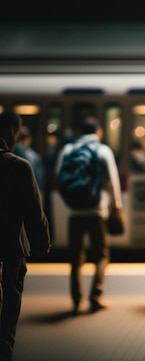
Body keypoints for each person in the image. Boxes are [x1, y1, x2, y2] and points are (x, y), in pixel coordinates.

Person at [55, 117, 123, 314]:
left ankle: (76, 299)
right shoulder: (102, 150)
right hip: (97, 212)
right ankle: (95, 295)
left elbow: (60, 178)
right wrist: (116, 206)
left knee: (75, 258)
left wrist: (70, 202)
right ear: (98, 132)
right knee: (101, 255)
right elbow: (113, 181)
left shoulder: (67, 150)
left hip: (74, 212)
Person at [0, 112, 51, 360]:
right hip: (10, 253)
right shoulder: (19, 167)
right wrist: (42, 244)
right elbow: (34, 212)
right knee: (6, 324)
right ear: (11, 131)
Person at [14, 126, 45, 192]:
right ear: (28, 139)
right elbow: (38, 179)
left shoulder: (10, 153)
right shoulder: (34, 156)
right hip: (30, 192)